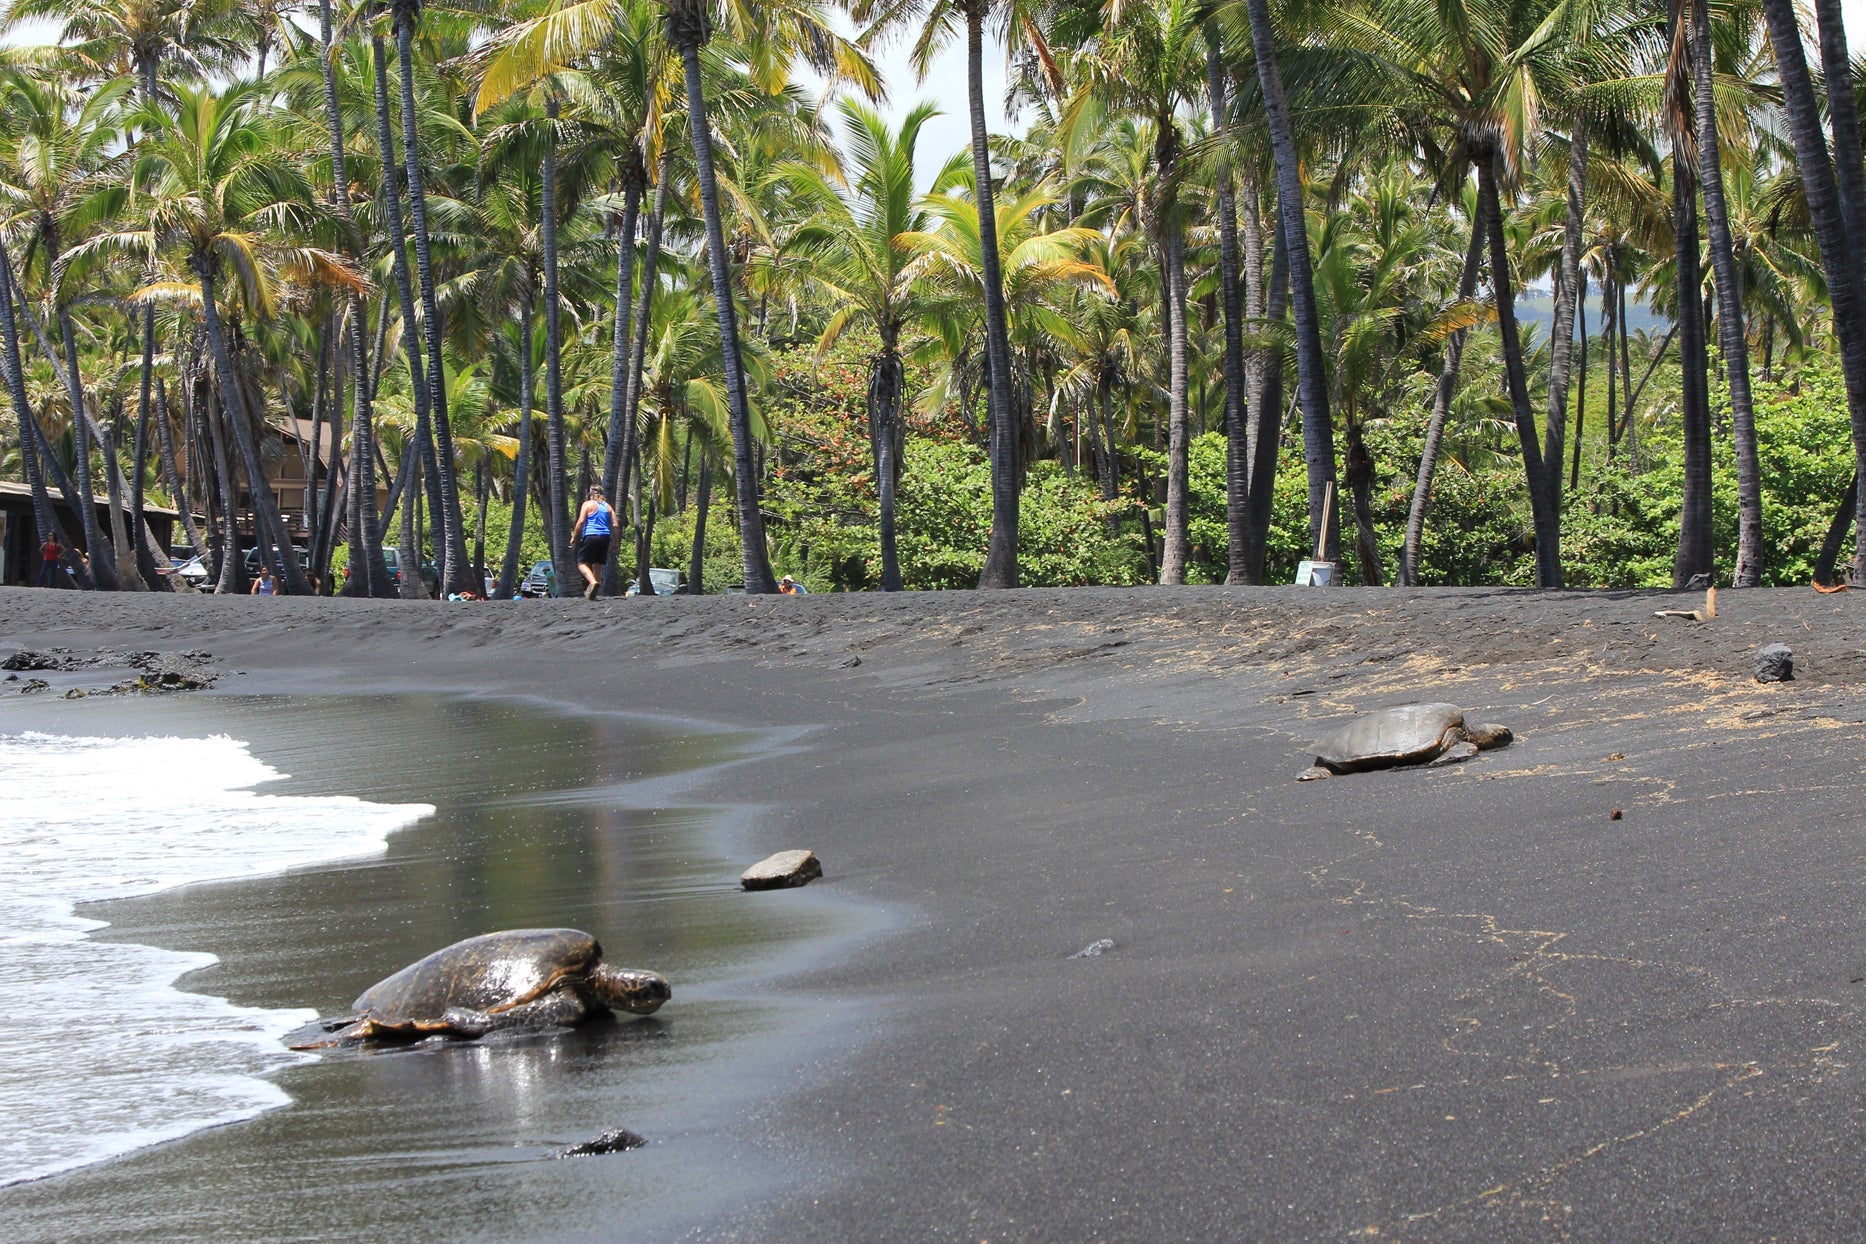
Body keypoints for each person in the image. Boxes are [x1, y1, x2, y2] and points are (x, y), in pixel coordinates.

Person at [570, 485, 616, 600]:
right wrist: (615, 542)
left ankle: (593, 582)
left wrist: (574, 537)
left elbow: (581, 521)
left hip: (591, 535)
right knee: (597, 564)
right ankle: (593, 594)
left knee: (581, 563)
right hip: (605, 537)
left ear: (590, 494)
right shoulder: (608, 507)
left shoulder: (587, 504)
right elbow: (615, 525)